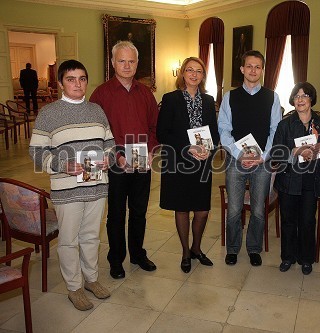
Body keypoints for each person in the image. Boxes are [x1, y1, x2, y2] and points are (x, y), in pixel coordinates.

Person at [29, 60, 114, 310]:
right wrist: (61, 165)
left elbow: (109, 142)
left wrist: (109, 156)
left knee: (91, 237)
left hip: (97, 185)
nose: (78, 84)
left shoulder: (97, 110)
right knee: (68, 239)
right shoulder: (49, 113)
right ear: (60, 83)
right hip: (67, 189)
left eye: (82, 78)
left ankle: (91, 279)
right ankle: (74, 287)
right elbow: (36, 151)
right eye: (71, 79)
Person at [90, 41, 159, 279]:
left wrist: (151, 151)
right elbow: (95, 132)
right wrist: (116, 157)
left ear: (137, 63)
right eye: (122, 60)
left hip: (142, 160)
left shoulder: (146, 93)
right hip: (115, 162)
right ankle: (116, 259)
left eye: (131, 61)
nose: (127, 65)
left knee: (139, 212)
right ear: (113, 63)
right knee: (117, 214)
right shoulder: (101, 93)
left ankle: (138, 254)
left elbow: (154, 127)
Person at [218, 50, 282, 266]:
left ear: (262, 70)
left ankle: (254, 248)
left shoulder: (273, 97)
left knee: (257, 209)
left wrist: (263, 157)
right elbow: (224, 130)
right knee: (234, 208)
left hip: (262, 163)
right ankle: (233, 249)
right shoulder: (230, 96)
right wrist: (239, 154)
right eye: (249, 66)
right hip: (236, 161)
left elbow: (275, 130)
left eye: (258, 67)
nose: (253, 70)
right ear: (242, 69)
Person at [156, 57, 219, 273]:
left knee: (202, 210)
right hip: (178, 160)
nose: (194, 74)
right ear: (182, 73)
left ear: (203, 76)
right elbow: (162, 133)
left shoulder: (209, 101)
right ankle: (185, 252)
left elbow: (214, 133)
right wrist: (188, 147)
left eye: (198, 71)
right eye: (189, 70)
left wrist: (208, 150)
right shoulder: (170, 99)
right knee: (182, 208)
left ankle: (196, 248)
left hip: (202, 162)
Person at [271, 82, 320, 275]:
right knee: (288, 220)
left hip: (312, 180)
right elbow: (276, 153)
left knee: (307, 221)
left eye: (305, 96)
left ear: (311, 99)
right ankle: (288, 257)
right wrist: (296, 151)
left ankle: (307, 259)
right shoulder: (285, 124)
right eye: (297, 96)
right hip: (289, 179)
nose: (300, 99)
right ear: (292, 100)